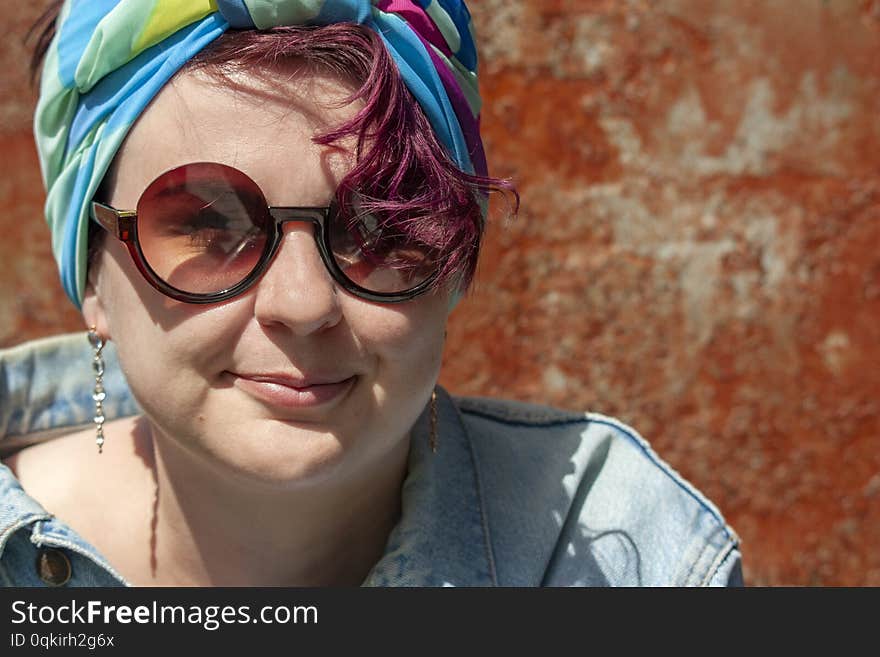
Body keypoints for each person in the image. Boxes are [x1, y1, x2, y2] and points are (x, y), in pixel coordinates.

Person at [0, 0, 742, 587]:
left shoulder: (623, 560)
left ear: (453, 260)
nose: (302, 302)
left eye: (379, 223)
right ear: (95, 270)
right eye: (206, 223)